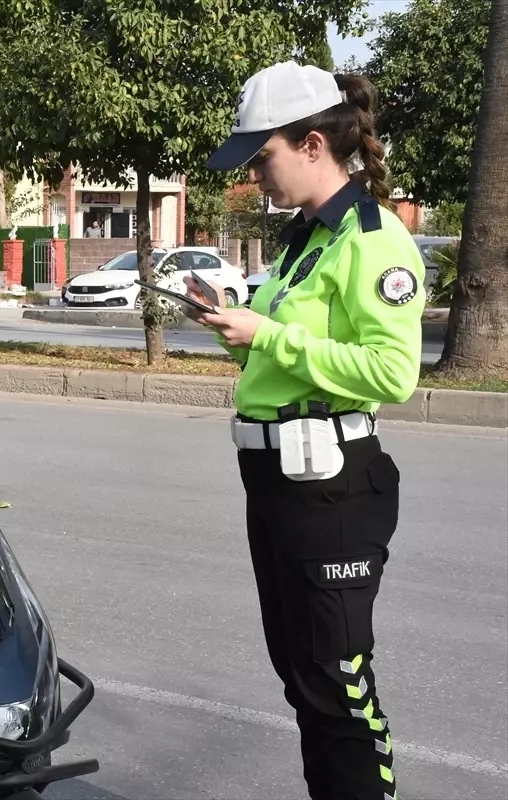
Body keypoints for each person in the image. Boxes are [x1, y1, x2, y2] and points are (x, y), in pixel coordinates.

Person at [187, 61, 424, 800]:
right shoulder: (301, 239)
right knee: (302, 678)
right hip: (277, 484)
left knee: (338, 686)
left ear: (313, 144)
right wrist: (236, 328)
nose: (254, 175)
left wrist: (269, 336)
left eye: (263, 157)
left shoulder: (373, 240)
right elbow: (284, 360)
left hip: (332, 487)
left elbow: (392, 373)